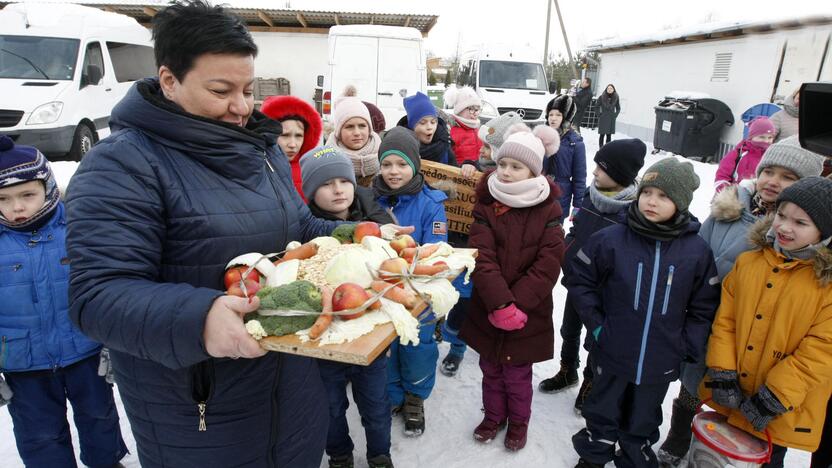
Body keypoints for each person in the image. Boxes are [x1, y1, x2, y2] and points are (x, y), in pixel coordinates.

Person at [64, 2, 346, 466]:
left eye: (248, 89)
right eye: (221, 91)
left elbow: (299, 230)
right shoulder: (123, 165)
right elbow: (97, 296)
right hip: (200, 413)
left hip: (292, 395)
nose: (241, 107)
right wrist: (200, 319)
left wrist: (354, 234)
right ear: (169, 80)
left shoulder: (261, 150)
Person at [657, 135, 826, 467]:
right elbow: (696, 256)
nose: (773, 182)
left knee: (750, 409)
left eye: (788, 177)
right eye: (769, 171)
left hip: (765, 338)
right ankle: (679, 438)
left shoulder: (799, 236)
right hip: (713, 324)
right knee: (693, 387)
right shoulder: (728, 210)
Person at [566, 157, 721, 468]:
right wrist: (598, 327)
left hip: (661, 357)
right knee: (602, 407)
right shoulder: (612, 238)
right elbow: (579, 280)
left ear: (680, 202)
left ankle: (634, 456)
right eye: (647, 192)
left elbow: (705, 304)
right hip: (612, 348)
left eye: (663, 196)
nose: (652, 201)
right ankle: (594, 455)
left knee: (644, 415)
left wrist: (686, 343)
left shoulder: (696, 250)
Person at [0, 135, 128, 468]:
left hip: (85, 352)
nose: (16, 207)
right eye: (3, 198)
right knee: (39, 434)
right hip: (22, 363)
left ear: (48, 187)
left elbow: (106, 287)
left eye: (27, 194)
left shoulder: (78, 228)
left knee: (99, 419)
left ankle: (107, 462)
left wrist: (113, 343)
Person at [702, 176, 832, 468]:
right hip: (733, 396)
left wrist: (774, 397)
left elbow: (822, 352)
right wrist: (722, 370)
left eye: (801, 223)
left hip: (782, 411)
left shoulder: (827, 285)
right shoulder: (749, 263)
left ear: (824, 232)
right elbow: (726, 321)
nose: (785, 227)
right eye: (782, 215)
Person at [459, 124, 565, 451]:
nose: (505, 171)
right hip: (489, 307)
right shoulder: (486, 204)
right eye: (502, 163)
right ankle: (493, 416)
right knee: (491, 369)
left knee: (517, 376)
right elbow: (482, 256)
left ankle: (518, 422)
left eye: (516, 167)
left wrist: (517, 304)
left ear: (533, 171)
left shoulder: (549, 208)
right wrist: (500, 303)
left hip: (528, 312)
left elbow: (549, 261)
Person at [299, 146, 394, 468]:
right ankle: (339, 454)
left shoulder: (377, 219)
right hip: (324, 342)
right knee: (328, 406)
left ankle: (380, 454)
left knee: (376, 403)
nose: (338, 189)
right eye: (326, 184)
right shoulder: (304, 232)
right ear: (311, 192)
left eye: (344, 180)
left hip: (371, 338)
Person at [538, 139, 647, 416]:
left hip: (605, 292)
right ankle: (567, 370)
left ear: (620, 175)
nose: (595, 171)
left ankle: (590, 380)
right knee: (569, 330)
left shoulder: (631, 212)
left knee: (597, 339)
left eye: (602, 167)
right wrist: (566, 251)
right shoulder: (591, 194)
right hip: (577, 281)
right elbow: (577, 230)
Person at [436, 111, 527, 378]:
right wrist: (467, 167)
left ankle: (466, 344)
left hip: (493, 259)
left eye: (489, 147)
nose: (483, 151)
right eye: (484, 146)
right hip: (463, 248)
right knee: (460, 301)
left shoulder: (514, 184)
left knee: (475, 305)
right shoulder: (477, 168)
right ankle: (456, 342)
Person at [373, 126, 448, 437]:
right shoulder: (372, 200)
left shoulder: (431, 203)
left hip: (421, 291)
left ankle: (415, 396)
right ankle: (393, 395)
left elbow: (438, 250)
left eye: (402, 164)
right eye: (387, 164)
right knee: (388, 346)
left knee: (417, 345)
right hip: (385, 291)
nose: (394, 172)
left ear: (415, 165)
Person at [260, 94, 323, 201]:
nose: (293, 144)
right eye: (285, 135)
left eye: (299, 136)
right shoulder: (258, 167)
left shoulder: (310, 168)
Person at [326, 86, 382, 187]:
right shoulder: (325, 159)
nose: (357, 132)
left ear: (369, 129)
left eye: (362, 126)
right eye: (349, 127)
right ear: (339, 132)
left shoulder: (385, 156)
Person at [544, 94, 587, 222]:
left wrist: (578, 205)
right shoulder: (541, 137)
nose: (553, 118)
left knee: (554, 233)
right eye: (551, 114)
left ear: (567, 117)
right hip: (540, 190)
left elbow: (579, 177)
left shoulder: (575, 143)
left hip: (560, 194)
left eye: (558, 115)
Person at [713, 117, 776, 193]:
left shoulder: (772, 157)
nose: (766, 141)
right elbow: (722, 176)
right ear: (751, 137)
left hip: (758, 199)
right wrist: (727, 193)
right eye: (762, 137)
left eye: (770, 137)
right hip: (733, 197)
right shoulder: (738, 154)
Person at [399, 91, 456, 167]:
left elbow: (456, 172)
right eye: (422, 123)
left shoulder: (444, 145)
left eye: (433, 122)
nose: (429, 127)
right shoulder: (400, 147)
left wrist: (469, 164)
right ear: (412, 126)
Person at [443, 86, 483, 165]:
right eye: (471, 109)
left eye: (477, 109)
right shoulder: (451, 130)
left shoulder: (478, 129)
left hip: (477, 172)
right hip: (459, 173)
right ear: (460, 110)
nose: (475, 113)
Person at [597, 84, 620, 148]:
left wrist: (615, 115)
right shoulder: (601, 97)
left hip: (611, 118)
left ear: (613, 90)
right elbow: (596, 106)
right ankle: (601, 148)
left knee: (609, 135)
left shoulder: (616, 97)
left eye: (611, 88)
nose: (609, 90)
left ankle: (607, 149)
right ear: (606, 89)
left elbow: (618, 108)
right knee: (602, 135)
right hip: (603, 118)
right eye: (608, 88)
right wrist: (599, 114)